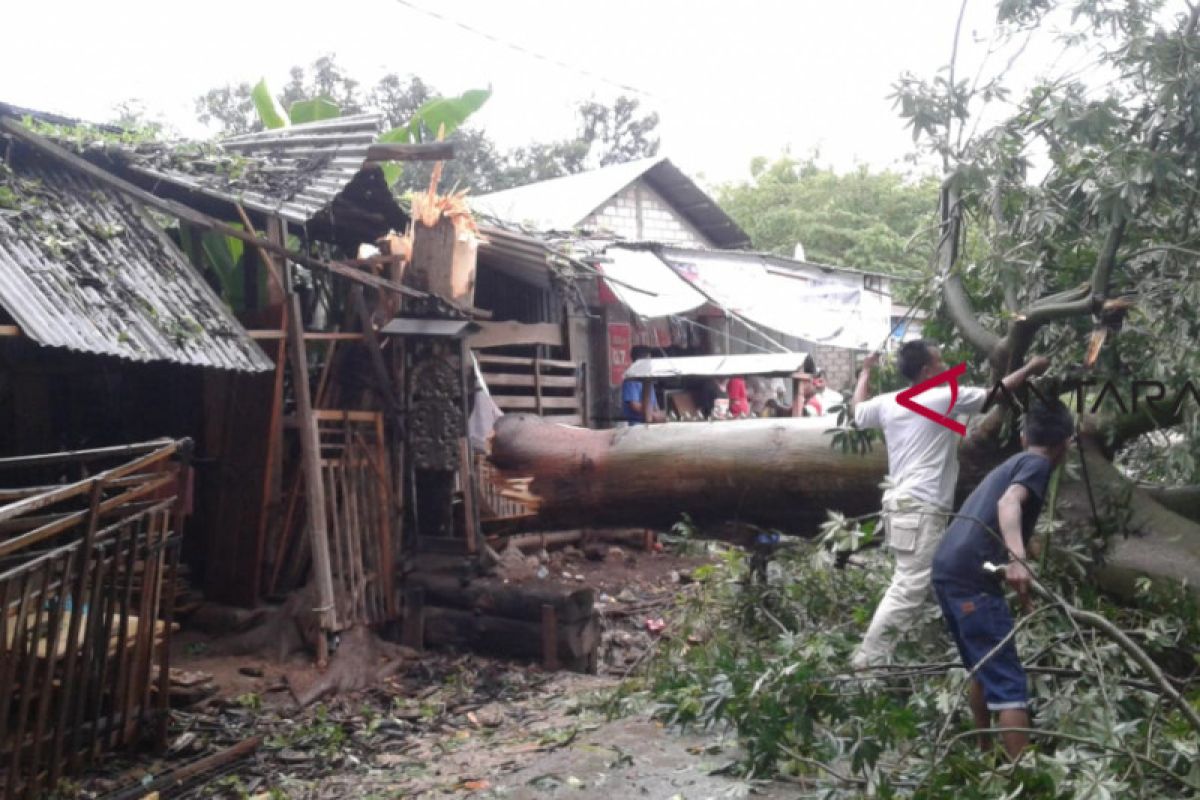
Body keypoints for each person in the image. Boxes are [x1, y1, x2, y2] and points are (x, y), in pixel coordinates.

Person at [849, 340, 1050, 669]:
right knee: (909, 586)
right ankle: (867, 665)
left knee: (930, 576)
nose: (946, 366)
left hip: (902, 505)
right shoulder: (942, 396)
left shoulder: (889, 402)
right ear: (927, 371)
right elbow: (994, 395)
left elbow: (858, 410)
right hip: (920, 506)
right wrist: (1030, 369)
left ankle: (929, 646)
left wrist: (866, 371)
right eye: (940, 362)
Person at [931, 399, 1074, 760]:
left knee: (982, 664)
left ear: (1024, 437)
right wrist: (1017, 559)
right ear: (1066, 444)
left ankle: (986, 756)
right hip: (969, 575)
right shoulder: (1038, 464)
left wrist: (1024, 594)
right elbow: (1009, 504)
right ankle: (1023, 780)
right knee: (1009, 680)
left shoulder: (1013, 462)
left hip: (947, 566)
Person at [622, 346, 664, 424]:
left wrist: (658, 414)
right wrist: (653, 415)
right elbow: (635, 406)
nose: (650, 362)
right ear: (640, 361)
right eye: (648, 360)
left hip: (650, 422)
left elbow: (654, 403)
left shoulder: (648, 378)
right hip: (637, 425)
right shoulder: (631, 380)